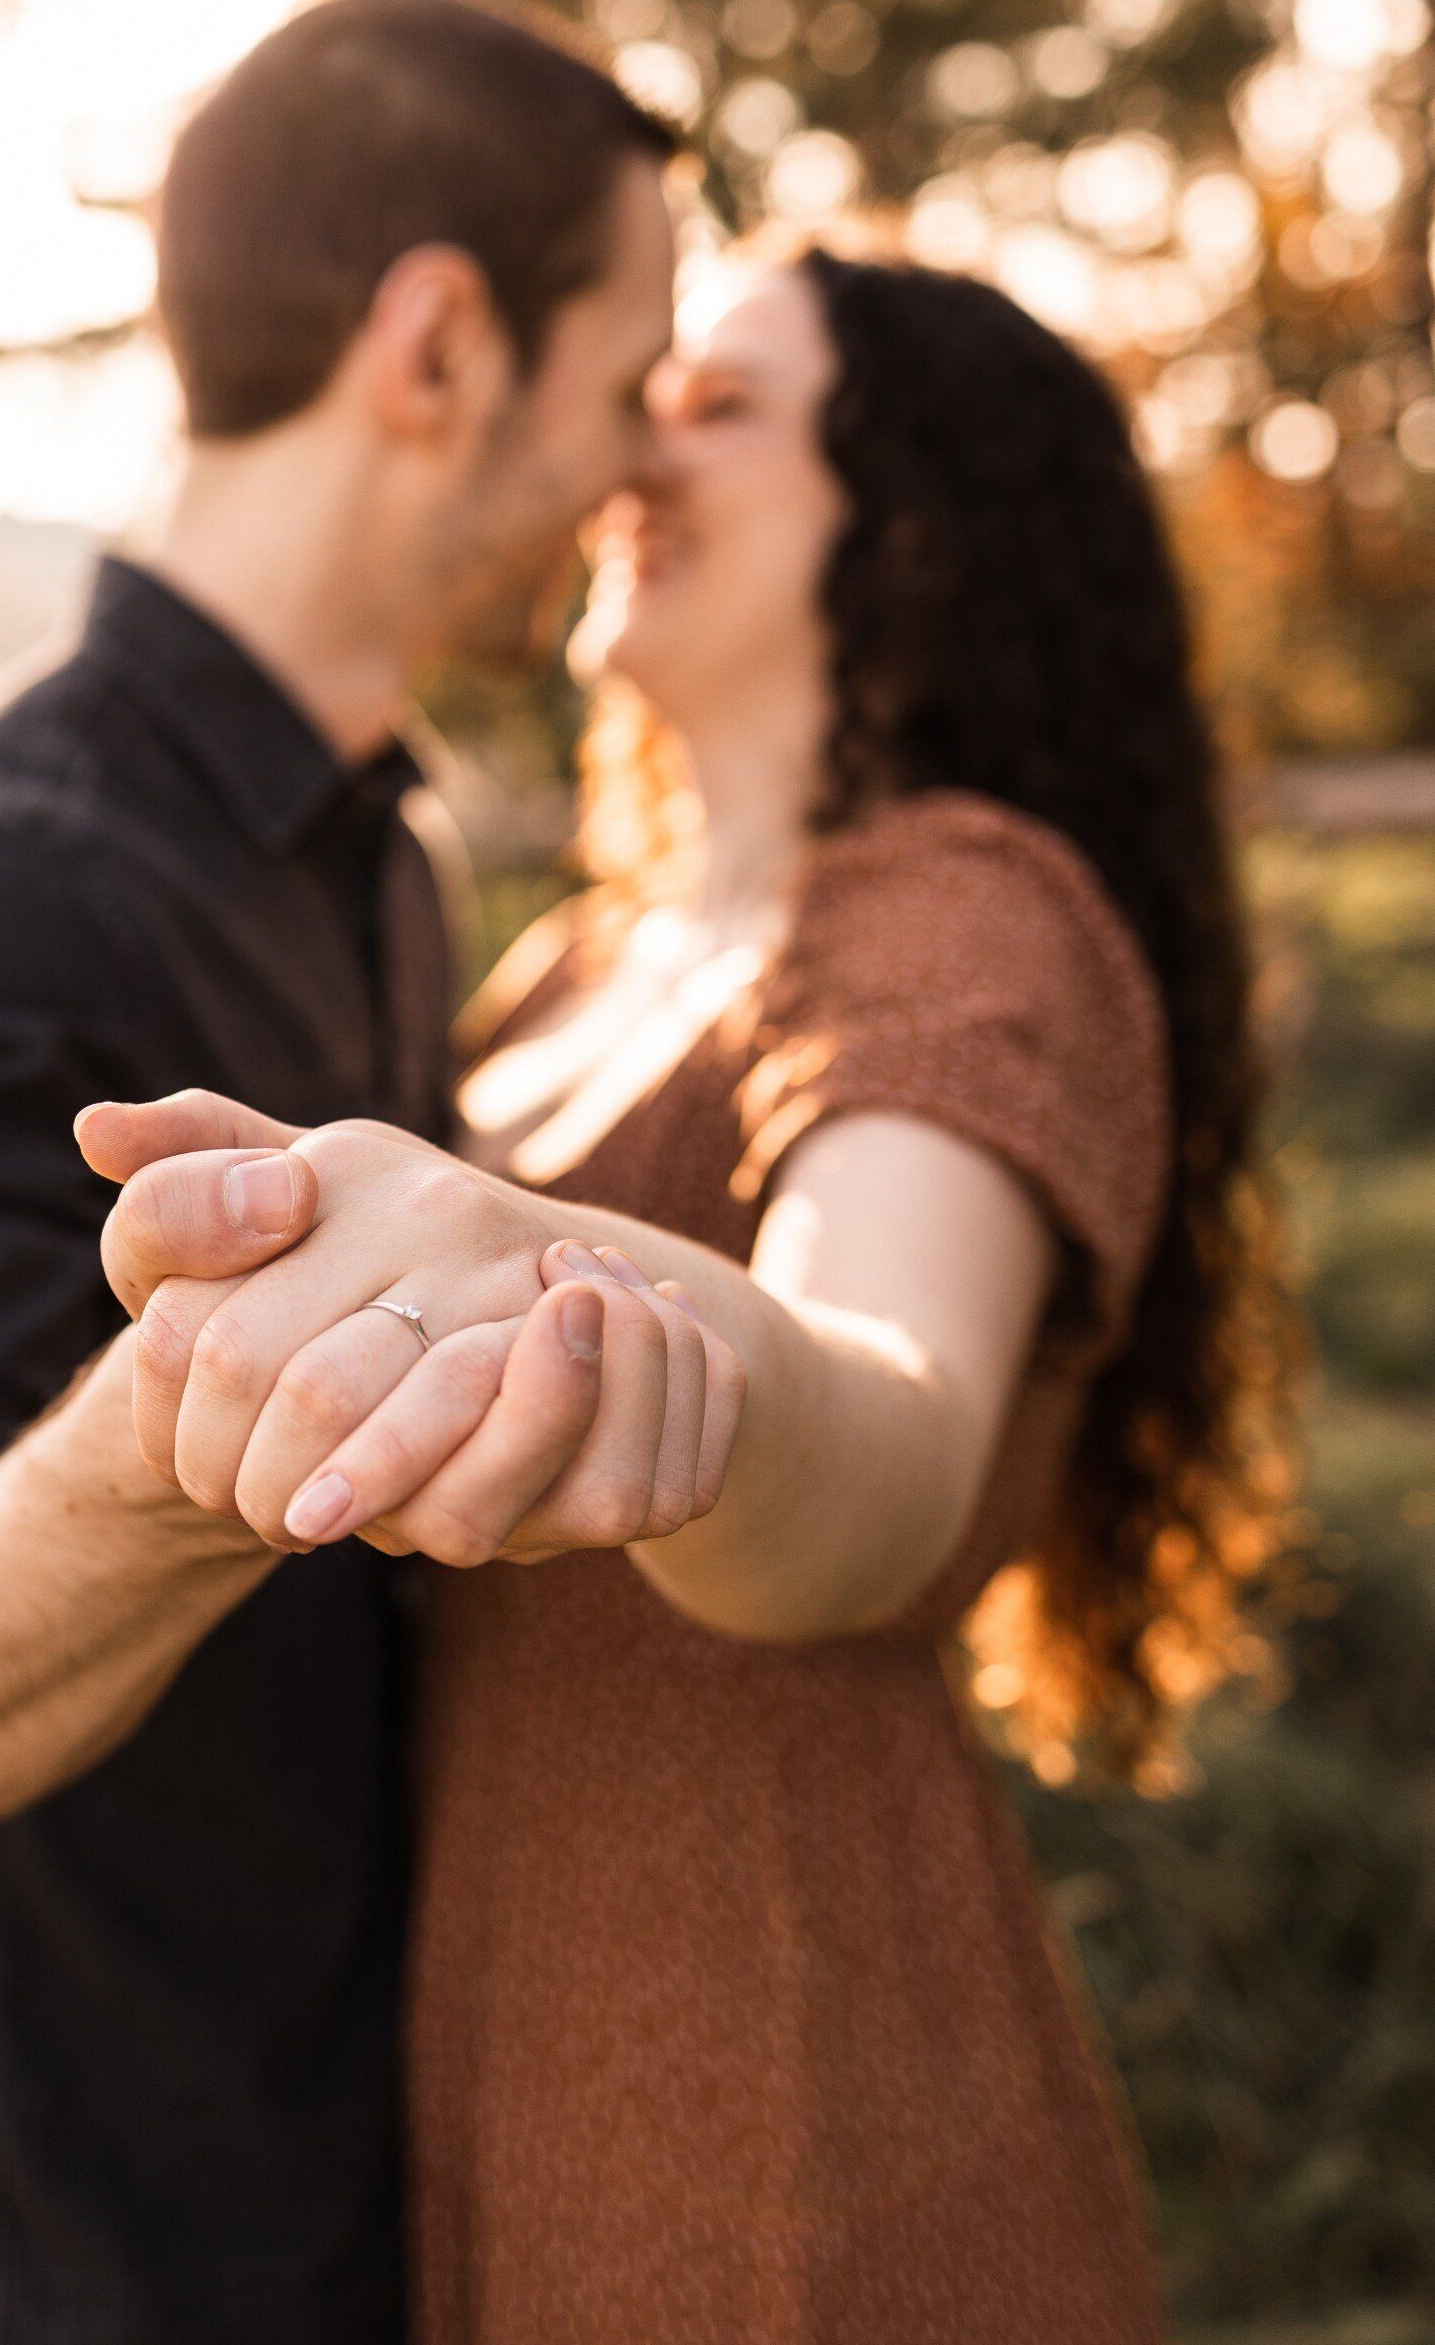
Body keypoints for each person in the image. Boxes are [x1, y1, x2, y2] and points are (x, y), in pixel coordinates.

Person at [87, 244, 1295, 2342]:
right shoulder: (570, 964)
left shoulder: (960, 905)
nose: (633, 441)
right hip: (509, 1983)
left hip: (779, 2058)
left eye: (721, 403)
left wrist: (628, 1333)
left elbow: (893, 1416)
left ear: (910, 524)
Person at [0, 0, 733, 2345]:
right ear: (438, 342)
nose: (634, 468)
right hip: (90, 2250)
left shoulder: (384, 855)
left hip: (364, 2169)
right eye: (626, 375)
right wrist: (183, 1452)